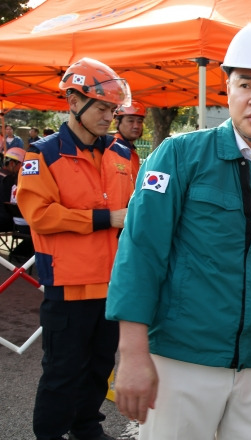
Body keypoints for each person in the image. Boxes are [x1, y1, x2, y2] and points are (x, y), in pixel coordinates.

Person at [105, 20, 251, 440]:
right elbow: (140, 253)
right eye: (245, 83)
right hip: (181, 361)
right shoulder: (178, 156)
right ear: (228, 88)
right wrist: (132, 353)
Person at [16, 57, 134, 440]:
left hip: (112, 285)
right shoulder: (42, 154)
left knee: (99, 367)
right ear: (72, 101)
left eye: (113, 109)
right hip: (68, 286)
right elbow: (41, 215)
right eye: (102, 107)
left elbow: (132, 210)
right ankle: (50, 435)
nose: (109, 116)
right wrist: (104, 219)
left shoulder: (119, 155)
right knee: (62, 372)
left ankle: (86, 429)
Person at [113, 100, 146, 180]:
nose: (136, 126)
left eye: (139, 122)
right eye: (130, 121)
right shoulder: (112, 148)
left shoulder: (130, 151)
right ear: (117, 123)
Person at [0, 147, 26, 232]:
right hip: (9, 221)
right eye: (22, 164)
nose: (23, 168)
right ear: (12, 163)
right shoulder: (12, 180)